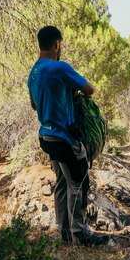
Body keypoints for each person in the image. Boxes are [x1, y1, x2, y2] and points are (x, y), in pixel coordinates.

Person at [27, 25, 107, 246]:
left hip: (46, 137)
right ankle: (79, 234)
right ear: (57, 44)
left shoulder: (33, 72)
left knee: (62, 183)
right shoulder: (59, 68)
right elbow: (89, 89)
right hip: (65, 137)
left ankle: (64, 233)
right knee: (79, 183)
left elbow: (34, 106)